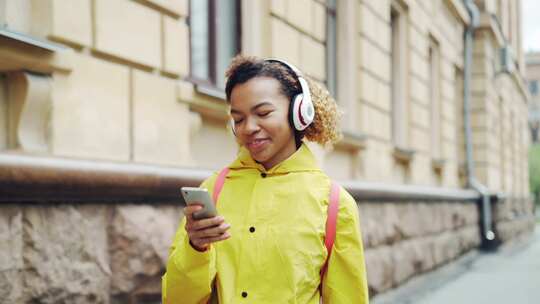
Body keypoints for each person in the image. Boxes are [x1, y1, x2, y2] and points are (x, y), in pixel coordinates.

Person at [162, 55, 369, 303]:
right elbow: (176, 299)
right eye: (238, 119)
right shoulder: (214, 190)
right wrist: (195, 248)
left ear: (299, 112)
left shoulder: (335, 204)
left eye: (263, 112)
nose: (248, 128)